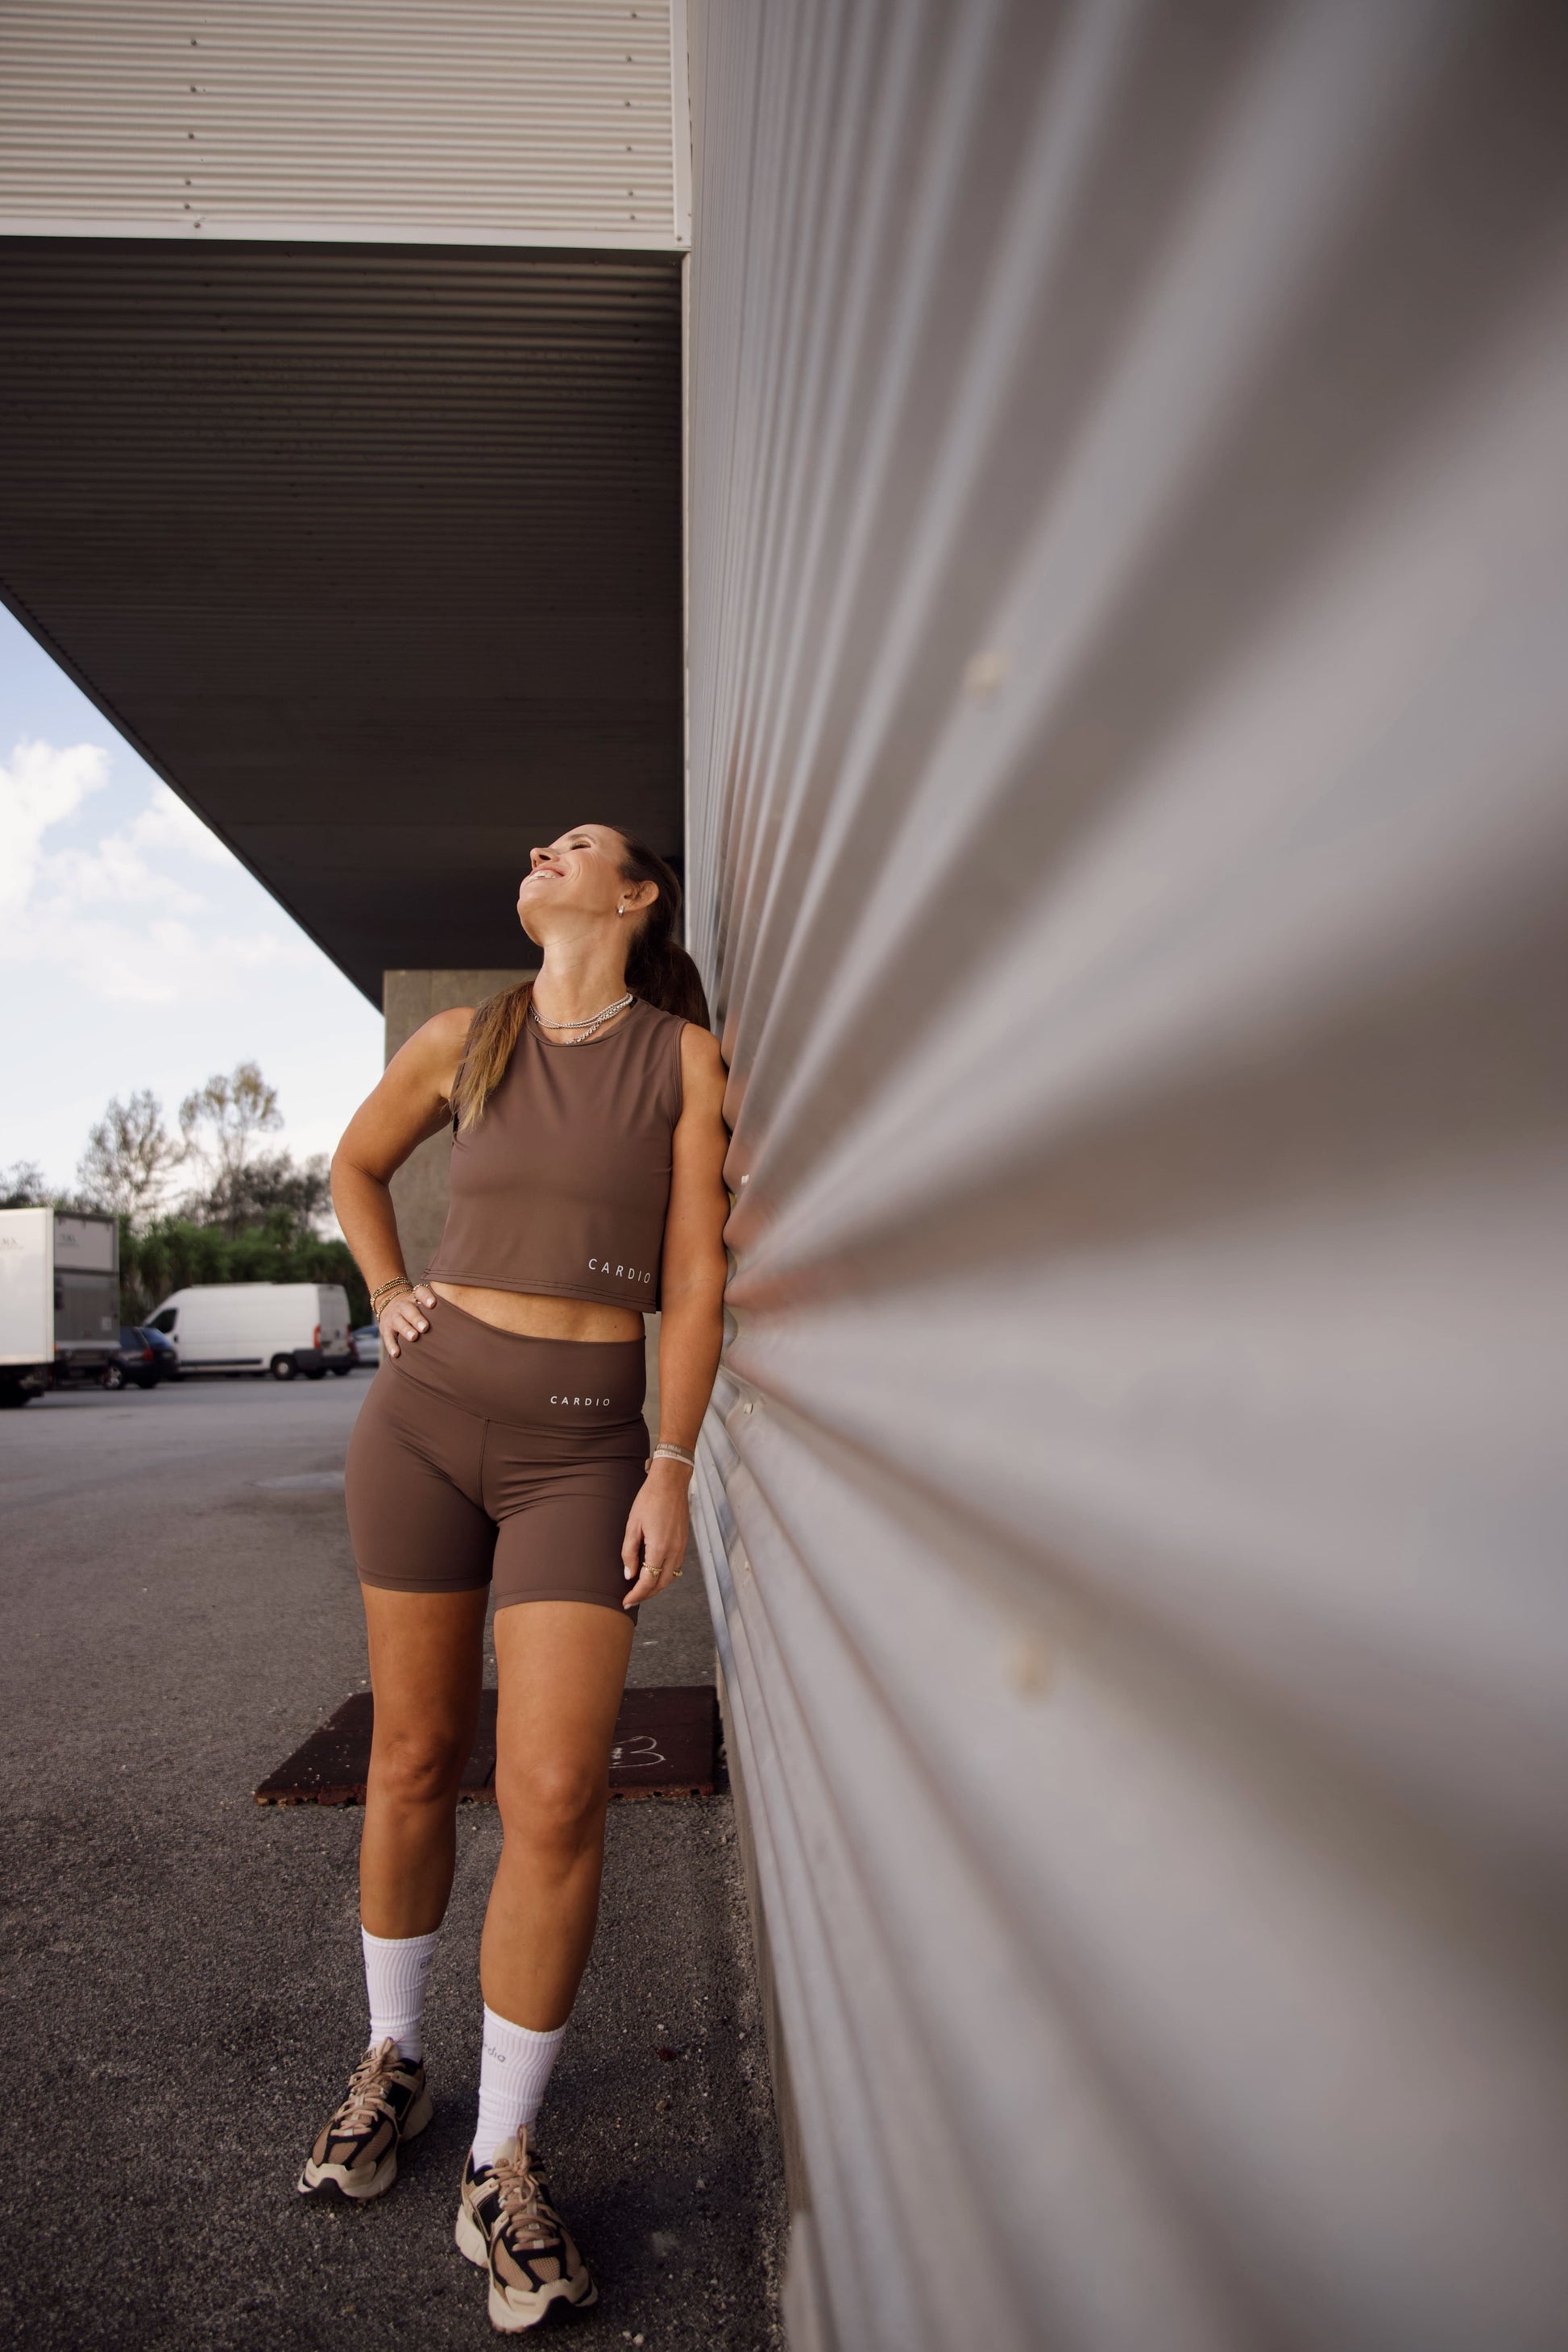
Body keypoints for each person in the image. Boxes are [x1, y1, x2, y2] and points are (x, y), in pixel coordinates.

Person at [301, 824, 730, 2334]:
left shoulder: (681, 1060)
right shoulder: (461, 1041)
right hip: (418, 1427)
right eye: (541, 845)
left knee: (552, 1793)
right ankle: (393, 2059)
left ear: (635, 896)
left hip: (582, 1452)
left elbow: (697, 1274)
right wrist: (387, 1289)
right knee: (413, 1753)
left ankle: (500, 2159)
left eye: (579, 844)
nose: (545, 852)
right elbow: (355, 1165)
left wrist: (670, 1460)